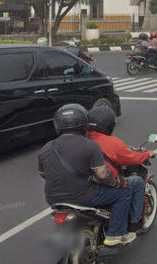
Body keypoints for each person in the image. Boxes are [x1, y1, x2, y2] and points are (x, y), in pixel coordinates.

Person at [37, 104, 142, 246]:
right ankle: (116, 234)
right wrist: (119, 182)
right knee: (124, 192)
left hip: (53, 199)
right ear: (83, 123)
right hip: (84, 197)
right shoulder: (89, 145)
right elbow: (103, 175)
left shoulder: (46, 148)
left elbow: (44, 174)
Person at [86, 106, 152, 233]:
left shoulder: (82, 140)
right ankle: (134, 222)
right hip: (101, 186)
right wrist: (148, 154)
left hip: (82, 185)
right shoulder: (112, 142)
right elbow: (131, 158)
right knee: (136, 182)